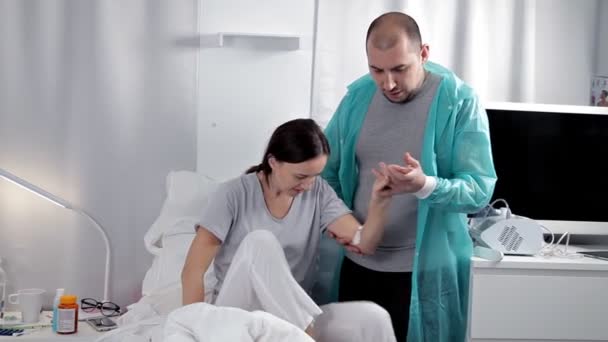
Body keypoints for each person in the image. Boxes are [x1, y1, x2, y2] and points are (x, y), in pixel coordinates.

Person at [321, 12, 497, 342]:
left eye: (399, 69)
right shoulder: (357, 97)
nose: (388, 83)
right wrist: (343, 223)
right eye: (377, 70)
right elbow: (326, 172)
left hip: (423, 273)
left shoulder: (459, 101)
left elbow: (478, 190)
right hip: (358, 264)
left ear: (424, 54)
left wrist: (425, 185)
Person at [181, 118, 397, 342]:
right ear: (273, 162)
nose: (308, 185)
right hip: (239, 315)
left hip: (290, 320)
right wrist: (198, 329)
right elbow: (192, 271)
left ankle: (302, 332)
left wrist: (380, 201)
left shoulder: (318, 193)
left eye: (315, 176)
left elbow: (365, 243)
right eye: (301, 176)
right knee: (260, 242)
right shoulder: (233, 194)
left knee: (374, 316)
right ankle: (305, 334)